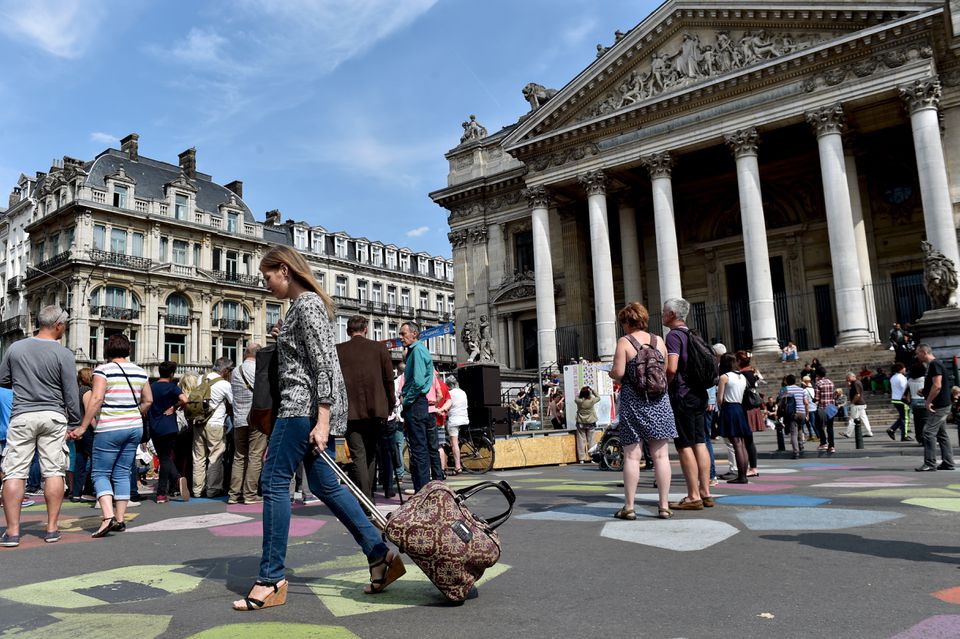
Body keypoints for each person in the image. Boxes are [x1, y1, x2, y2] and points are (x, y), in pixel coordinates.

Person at [233, 245, 403, 612]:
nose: (266, 285)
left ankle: (271, 577)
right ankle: (379, 556)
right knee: (327, 485)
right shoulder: (299, 308)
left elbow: (325, 364)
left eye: (267, 277)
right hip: (306, 408)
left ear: (284, 270)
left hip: (301, 409)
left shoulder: (307, 304)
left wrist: (323, 419)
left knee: (275, 482)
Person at [0, 306, 82, 547]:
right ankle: (52, 528)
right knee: (53, 471)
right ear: (58, 325)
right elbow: (70, 391)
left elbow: (3, 379)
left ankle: (13, 532)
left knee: (15, 470)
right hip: (53, 416)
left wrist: (24, 380)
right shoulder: (63, 354)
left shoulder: (15, 348)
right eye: (64, 325)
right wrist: (75, 421)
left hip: (22, 415)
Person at [68, 333, 152, 538]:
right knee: (123, 472)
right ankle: (121, 518)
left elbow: (96, 399)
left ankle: (108, 517)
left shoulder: (103, 370)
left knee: (100, 472)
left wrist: (82, 426)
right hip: (134, 427)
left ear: (107, 350)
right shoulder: (141, 371)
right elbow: (148, 400)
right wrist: (133, 412)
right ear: (128, 350)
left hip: (110, 427)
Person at [609, 302, 677, 519]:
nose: (623, 327)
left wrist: (611, 373)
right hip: (659, 401)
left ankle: (629, 507)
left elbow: (619, 373)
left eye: (623, 322)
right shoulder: (659, 341)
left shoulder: (625, 342)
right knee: (661, 455)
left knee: (631, 455)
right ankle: (664, 505)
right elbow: (666, 371)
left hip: (634, 400)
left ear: (628, 321)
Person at [336, 316, 395, 501]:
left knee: (358, 454)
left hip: (350, 411)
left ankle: (365, 500)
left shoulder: (339, 350)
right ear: (366, 329)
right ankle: (367, 499)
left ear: (348, 331)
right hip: (375, 409)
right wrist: (389, 405)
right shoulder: (379, 348)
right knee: (370, 453)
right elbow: (388, 380)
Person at [662, 298, 713, 511]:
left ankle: (693, 495)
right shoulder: (693, 334)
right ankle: (705, 492)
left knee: (684, 446)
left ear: (673, 314)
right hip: (699, 394)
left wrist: (665, 383)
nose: (662, 314)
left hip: (682, 395)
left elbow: (672, 368)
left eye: (665, 311)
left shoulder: (674, 336)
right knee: (700, 442)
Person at [399, 321, 436, 492]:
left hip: (415, 404)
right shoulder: (418, 350)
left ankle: (422, 491)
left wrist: (407, 400)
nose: (400, 337)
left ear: (414, 334)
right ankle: (422, 489)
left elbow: (419, 382)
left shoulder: (417, 351)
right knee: (420, 448)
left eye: (403, 334)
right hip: (418, 403)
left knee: (419, 449)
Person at [229, 343, 266, 505]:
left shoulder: (236, 371)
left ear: (245, 353)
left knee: (239, 456)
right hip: (256, 419)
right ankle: (250, 494)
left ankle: (233, 494)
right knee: (255, 456)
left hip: (239, 419)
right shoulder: (259, 370)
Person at [149, 361, 190, 504]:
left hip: (154, 426)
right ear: (172, 374)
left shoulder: (152, 386)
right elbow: (185, 400)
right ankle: (162, 492)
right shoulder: (173, 388)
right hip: (169, 427)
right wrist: (174, 406)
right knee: (166, 458)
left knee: (163, 457)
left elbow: (146, 402)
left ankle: (175, 480)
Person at [193, 358, 234, 498]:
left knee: (198, 457)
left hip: (199, 422)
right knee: (215, 457)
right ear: (225, 371)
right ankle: (213, 489)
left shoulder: (202, 379)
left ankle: (197, 490)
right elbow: (233, 402)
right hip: (215, 423)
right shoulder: (224, 384)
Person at [914, 344, 955, 472]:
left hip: (939, 405)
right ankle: (948, 462)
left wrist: (928, 402)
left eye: (918, 353)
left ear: (924, 352)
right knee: (941, 434)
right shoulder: (934, 365)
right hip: (941, 403)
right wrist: (925, 391)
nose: (917, 356)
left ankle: (930, 463)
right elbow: (935, 386)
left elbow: (937, 385)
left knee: (928, 432)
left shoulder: (934, 364)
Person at [716, 353, 751, 484]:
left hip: (729, 408)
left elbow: (719, 399)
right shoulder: (742, 377)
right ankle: (744, 474)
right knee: (741, 443)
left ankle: (741, 476)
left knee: (735, 443)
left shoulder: (724, 377)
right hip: (739, 408)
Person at [71, 367, 96, 503]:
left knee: (80, 460)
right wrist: (96, 427)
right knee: (96, 459)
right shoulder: (86, 391)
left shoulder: (75, 391)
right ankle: (88, 490)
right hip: (86, 430)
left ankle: (76, 492)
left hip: (77, 428)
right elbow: (89, 411)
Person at [736, 351, 761, 477]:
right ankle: (753, 467)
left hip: (745, 407)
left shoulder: (743, 374)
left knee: (747, 440)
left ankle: (752, 467)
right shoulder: (752, 371)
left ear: (739, 361)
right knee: (748, 439)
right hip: (752, 408)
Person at [780, 374, 810, 459]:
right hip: (802, 413)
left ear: (787, 381)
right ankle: (801, 447)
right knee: (800, 429)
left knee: (793, 433)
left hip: (792, 413)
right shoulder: (802, 390)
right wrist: (807, 414)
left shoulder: (785, 389)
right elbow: (806, 403)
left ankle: (796, 452)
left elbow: (780, 402)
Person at [444, 377, 468, 475]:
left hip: (454, 420)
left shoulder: (450, 393)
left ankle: (457, 467)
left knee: (454, 443)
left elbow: (448, 405)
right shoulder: (463, 392)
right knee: (456, 442)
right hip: (464, 419)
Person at [814, 367, 837, 453]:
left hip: (822, 408)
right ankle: (832, 446)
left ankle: (823, 443)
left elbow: (816, 398)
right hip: (831, 407)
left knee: (819, 426)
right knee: (830, 428)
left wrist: (813, 400)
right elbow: (834, 395)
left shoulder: (818, 383)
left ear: (817, 374)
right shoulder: (831, 382)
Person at [844, 372, 874, 438]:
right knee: (864, 418)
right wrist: (849, 384)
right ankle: (869, 432)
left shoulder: (856, 383)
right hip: (860, 403)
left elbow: (857, 394)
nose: (847, 379)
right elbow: (852, 391)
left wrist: (852, 402)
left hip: (857, 404)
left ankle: (848, 433)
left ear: (852, 376)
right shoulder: (856, 383)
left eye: (848, 378)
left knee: (853, 418)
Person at [574, 386, 599, 463]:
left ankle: (582, 458)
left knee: (581, 441)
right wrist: (592, 390)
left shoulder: (578, 401)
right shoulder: (591, 400)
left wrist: (582, 392)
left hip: (581, 422)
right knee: (591, 440)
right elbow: (598, 397)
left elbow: (577, 397)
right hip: (590, 422)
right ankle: (592, 457)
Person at [886, 362, 911, 442]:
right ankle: (904, 435)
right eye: (904, 368)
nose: (905, 369)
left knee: (902, 417)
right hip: (902, 400)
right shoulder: (902, 378)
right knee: (905, 418)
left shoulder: (893, 377)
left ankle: (892, 429)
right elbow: (905, 389)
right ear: (901, 369)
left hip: (895, 399)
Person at [907, 362, 927, 445]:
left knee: (917, 421)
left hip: (914, 401)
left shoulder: (910, 380)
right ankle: (926, 437)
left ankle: (919, 437)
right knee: (926, 421)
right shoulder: (924, 379)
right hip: (924, 400)